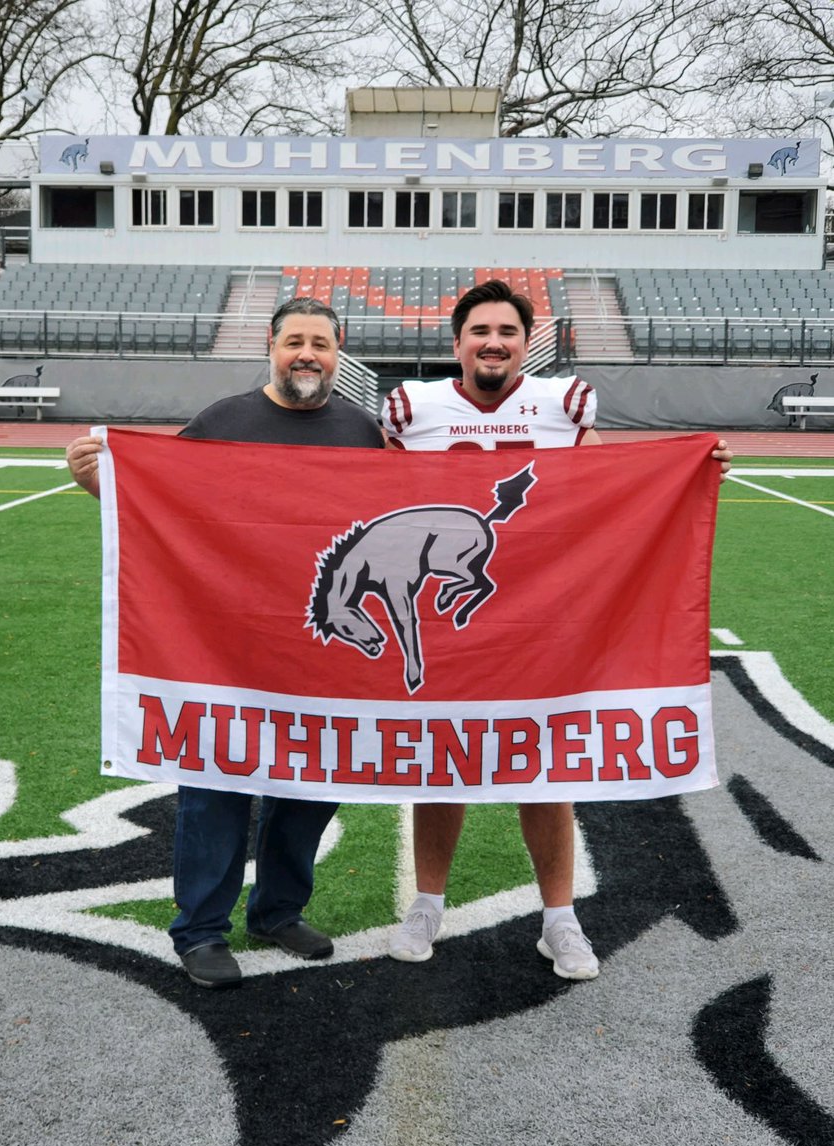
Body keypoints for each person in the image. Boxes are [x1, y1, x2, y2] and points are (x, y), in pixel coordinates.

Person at [383, 278, 733, 979]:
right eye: (480, 331)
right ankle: (427, 903)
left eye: (507, 332)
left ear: (526, 343)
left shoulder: (561, 404)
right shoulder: (411, 410)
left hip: (542, 615)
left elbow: (614, 486)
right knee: (440, 761)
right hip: (449, 615)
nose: (493, 343)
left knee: (544, 765)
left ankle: (559, 919)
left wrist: (690, 476)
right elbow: (367, 498)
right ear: (457, 343)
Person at [66, 297, 385, 989]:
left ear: (339, 351)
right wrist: (102, 487)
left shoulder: (363, 432)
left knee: (311, 786)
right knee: (215, 785)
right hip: (224, 647)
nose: (307, 354)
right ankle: (201, 930)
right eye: (294, 341)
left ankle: (277, 912)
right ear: (271, 346)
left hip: (319, 652)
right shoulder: (220, 423)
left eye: (321, 343)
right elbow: (162, 508)